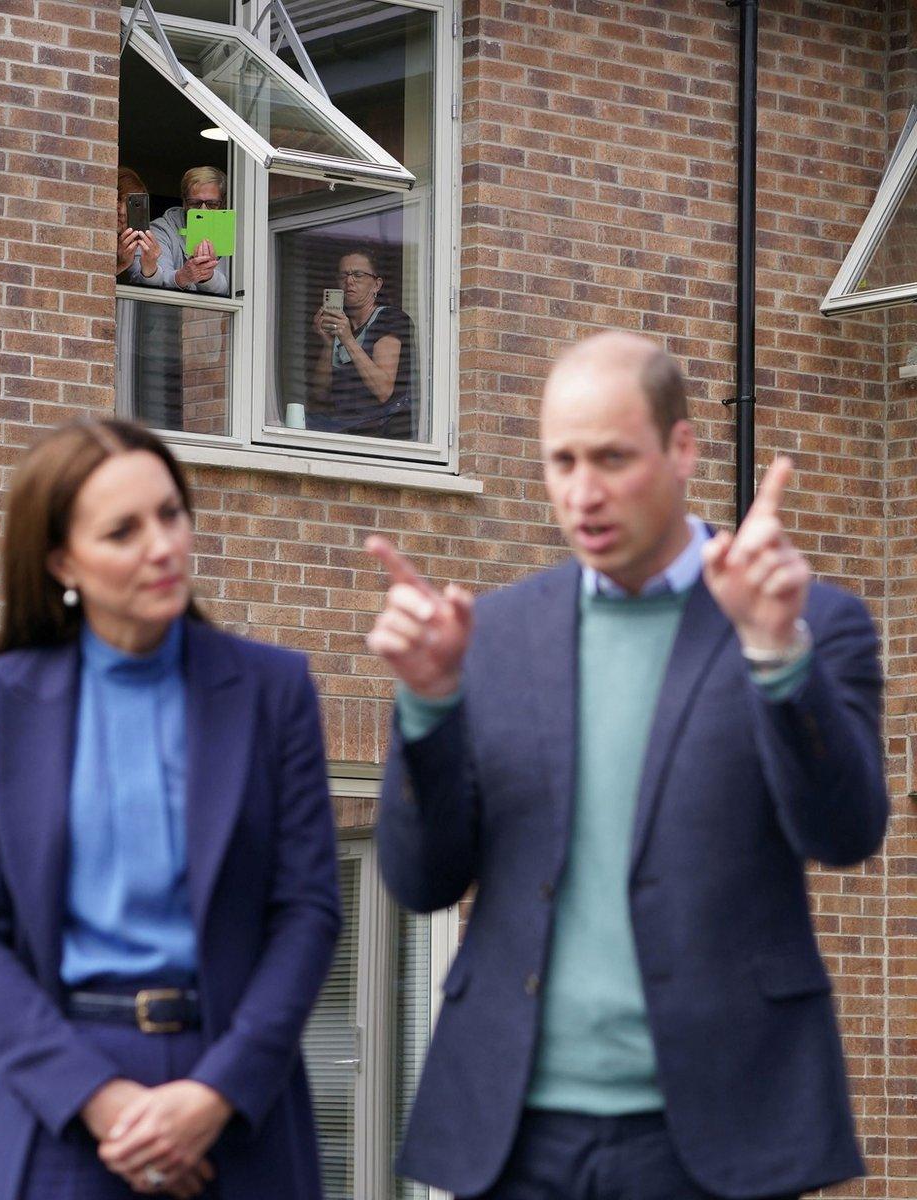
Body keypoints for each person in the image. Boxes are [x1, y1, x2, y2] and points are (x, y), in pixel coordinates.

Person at [367, 331, 888, 1200]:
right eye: (561, 462)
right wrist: (427, 708)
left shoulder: (805, 619)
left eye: (611, 458)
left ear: (682, 448)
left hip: (719, 1132)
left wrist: (776, 657)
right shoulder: (488, 638)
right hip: (513, 1134)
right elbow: (420, 881)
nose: (583, 493)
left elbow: (845, 833)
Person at [0, 419, 340, 1200]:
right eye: (123, 531)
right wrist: (100, 1101)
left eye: (170, 513)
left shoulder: (272, 691)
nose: (163, 545)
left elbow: (308, 911)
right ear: (62, 560)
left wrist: (213, 1096)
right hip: (59, 1115)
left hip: (238, 1108)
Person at [308, 248, 415, 438]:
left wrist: (348, 339)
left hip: (381, 436)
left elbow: (383, 390)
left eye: (358, 275)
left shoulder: (390, 319)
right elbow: (319, 395)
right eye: (343, 275)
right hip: (343, 431)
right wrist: (327, 344)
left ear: (377, 284)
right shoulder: (342, 327)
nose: (349, 281)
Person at [139, 166, 230, 296]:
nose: (203, 210)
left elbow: (236, 290)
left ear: (223, 204)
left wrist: (208, 276)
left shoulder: (235, 232)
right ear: (184, 203)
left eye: (212, 204)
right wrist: (182, 277)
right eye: (195, 203)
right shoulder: (160, 229)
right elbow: (156, 281)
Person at [116, 166, 160, 286]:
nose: (122, 211)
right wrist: (121, 264)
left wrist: (150, 265)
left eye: (130, 204)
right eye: (118, 199)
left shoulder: (138, 242)